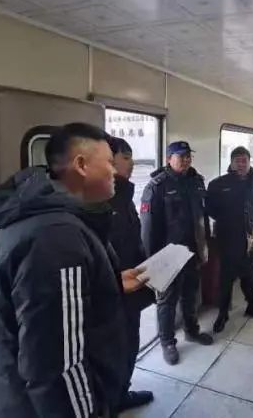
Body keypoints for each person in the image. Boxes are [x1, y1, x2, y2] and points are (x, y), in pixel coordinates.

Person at [0, 123, 148, 418]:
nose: (115, 171)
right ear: (81, 165)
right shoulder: (56, 236)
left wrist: (111, 281)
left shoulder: (55, 220)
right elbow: (58, 366)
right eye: (109, 162)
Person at [140, 141, 213, 365]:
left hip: (192, 250)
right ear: (168, 159)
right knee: (167, 300)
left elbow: (202, 217)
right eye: (181, 156)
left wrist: (205, 246)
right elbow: (148, 228)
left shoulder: (196, 181)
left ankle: (191, 330)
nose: (186, 160)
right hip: (168, 254)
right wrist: (153, 262)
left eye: (188, 156)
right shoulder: (157, 186)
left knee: (191, 293)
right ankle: (167, 342)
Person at [107, 137, 155, 412]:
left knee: (130, 344)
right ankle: (110, 401)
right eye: (125, 157)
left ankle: (121, 394)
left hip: (131, 286)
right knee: (115, 349)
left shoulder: (124, 197)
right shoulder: (100, 200)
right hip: (112, 292)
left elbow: (132, 240)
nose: (132, 162)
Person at [206, 146, 253, 333]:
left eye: (244, 161)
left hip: (251, 237)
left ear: (249, 162)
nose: (241, 164)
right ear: (231, 163)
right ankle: (223, 313)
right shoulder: (218, 184)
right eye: (238, 161)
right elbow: (210, 209)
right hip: (228, 237)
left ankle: (252, 305)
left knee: (249, 274)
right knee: (226, 277)